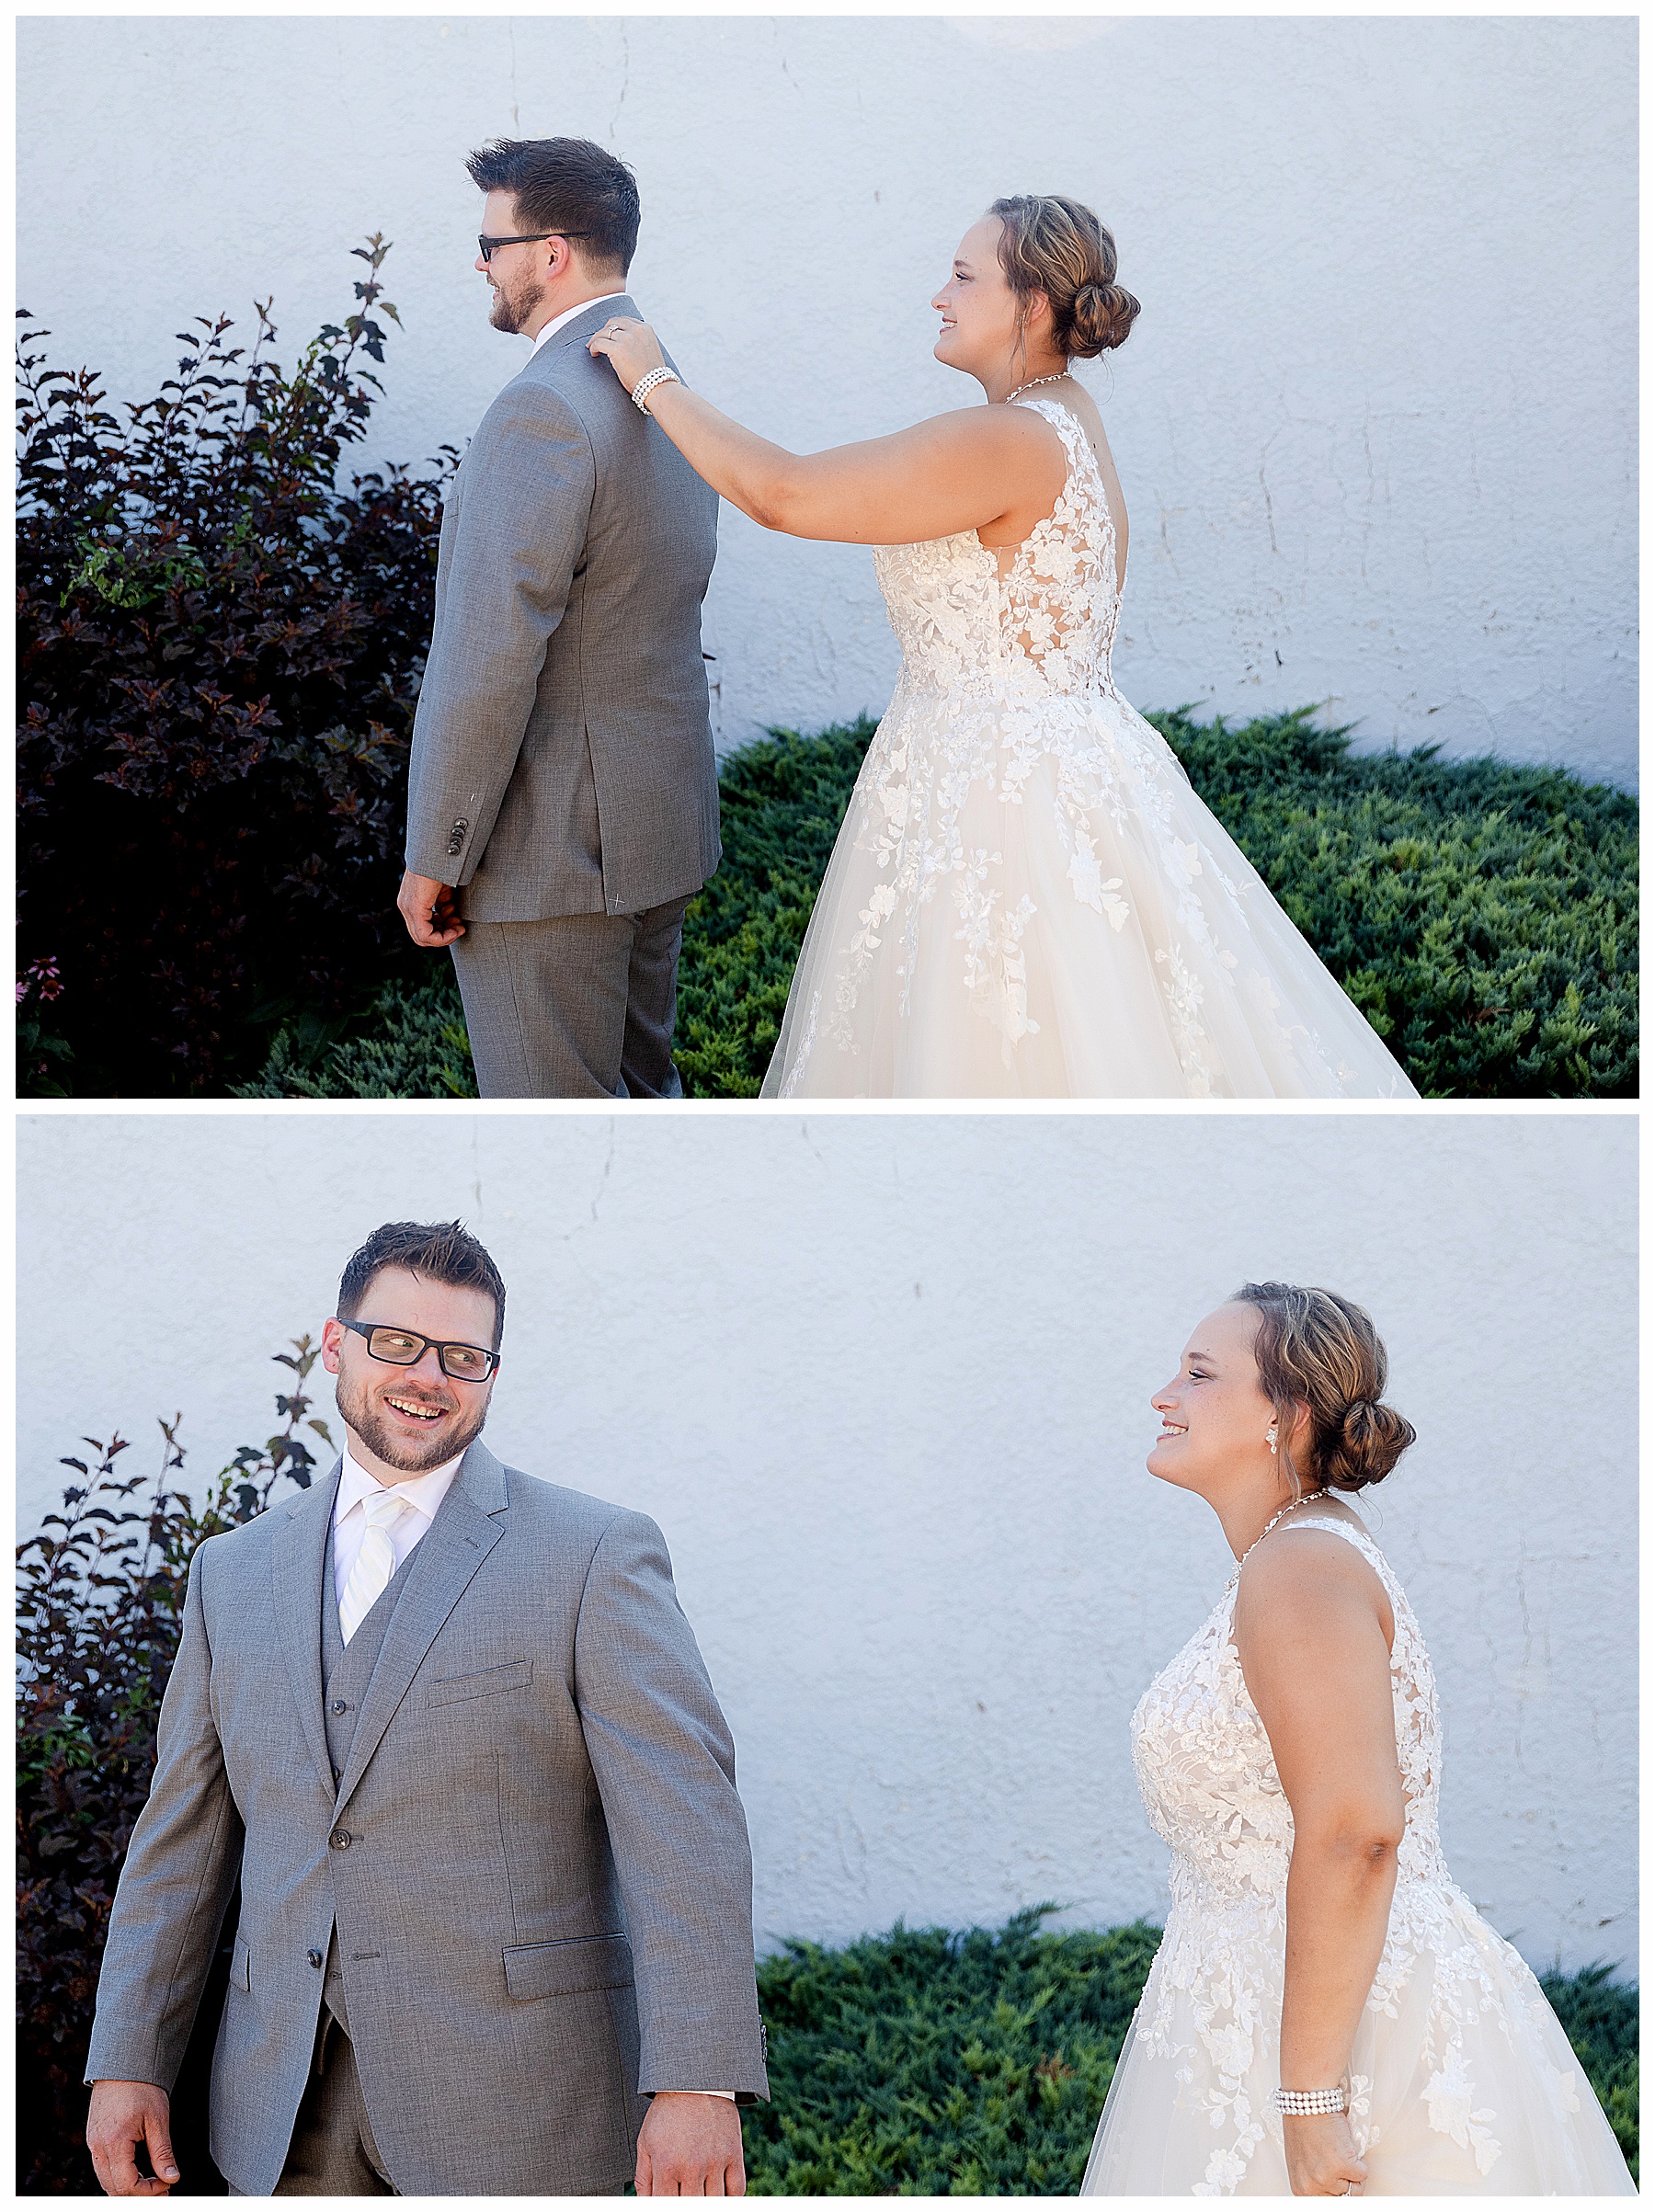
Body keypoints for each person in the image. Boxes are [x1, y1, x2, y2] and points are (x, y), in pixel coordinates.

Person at [588, 198, 1416, 1099]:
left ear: (1030, 306)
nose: (938, 294)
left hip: (1003, 804)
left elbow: (784, 494)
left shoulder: (1009, 439)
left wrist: (651, 379)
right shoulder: (1068, 418)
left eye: (963, 275)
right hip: (1046, 763)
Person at [84, 1220, 766, 2195]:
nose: (427, 1376)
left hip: (526, 2111)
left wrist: (700, 2081)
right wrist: (129, 2058)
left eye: (463, 1355)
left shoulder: (594, 1556)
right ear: (335, 1344)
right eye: (395, 1343)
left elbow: (684, 1826)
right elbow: (179, 1844)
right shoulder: (230, 1576)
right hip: (280, 2115)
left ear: (492, 1371)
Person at [1082, 1283, 1634, 2195]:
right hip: (1267, 2013)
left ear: (1287, 1415)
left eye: (1199, 1372)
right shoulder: (1298, 1554)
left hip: (1348, 2051)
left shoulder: (1298, 1567)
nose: (1163, 1395)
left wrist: (1307, 2099)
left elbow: (1355, 1827)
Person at [400, 140, 721, 1100]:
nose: (480, 263)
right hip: (658, 834)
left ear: (550, 254)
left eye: (490, 241)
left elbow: (486, 660)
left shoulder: (541, 409)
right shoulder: (664, 382)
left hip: (552, 861)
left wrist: (436, 854)